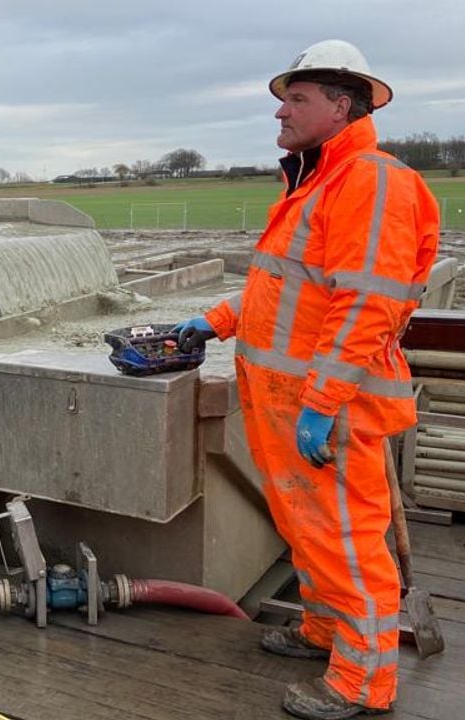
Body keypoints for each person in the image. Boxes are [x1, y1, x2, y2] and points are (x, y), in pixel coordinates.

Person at [173, 39, 440, 719]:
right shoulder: (314, 182)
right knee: (311, 533)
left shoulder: (371, 182)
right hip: (289, 405)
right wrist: (214, 322)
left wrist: (322, 402)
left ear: (340, 104)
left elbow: (367, 303)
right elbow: (286, 293)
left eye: (296, 99)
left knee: (350, 546)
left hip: (332, 409)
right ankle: (324, 630)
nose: (279, 114)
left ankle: (361, 683)